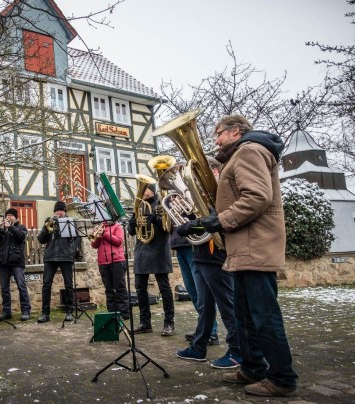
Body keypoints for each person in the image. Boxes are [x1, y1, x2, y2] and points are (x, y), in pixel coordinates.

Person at [198, 115, 298, 397]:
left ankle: (282, 378)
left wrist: (220, 220)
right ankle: (253, 368)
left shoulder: (250, 150)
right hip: (244, 246)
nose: (215, 139)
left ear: (235, 131)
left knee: (263, 315)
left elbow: (256, 196)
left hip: (256, 244)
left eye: (217, 133)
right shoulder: (244, 152)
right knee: (245, 315)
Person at [174, 225, 241, 368]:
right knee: (204, 306)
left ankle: (237, 351)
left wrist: (196, 222)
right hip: (200, 255)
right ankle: (199, 348)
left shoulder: (219, 202)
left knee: (227, 306)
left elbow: (217, 218)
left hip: (216, 255)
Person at [127, 183, 175, 336]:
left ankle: (169, 323)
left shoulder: (162, 203)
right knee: (140, 288)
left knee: (164, 288)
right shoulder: (139, 205)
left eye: (145, 189)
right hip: (142, 249)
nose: (142, 191)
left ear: (152, 191)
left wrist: (155, 219)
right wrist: (132, 224)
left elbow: (168, 227)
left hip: (159, 249)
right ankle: (145, 322)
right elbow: (132, 232)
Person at [36, 201, 81, 323]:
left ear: (64, 211)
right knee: (46, 284)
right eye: (56, 211)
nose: (58, 213)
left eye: (60, 210)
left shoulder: (69, 221)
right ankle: (45, 313)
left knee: (68, 284)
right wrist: (46, 227)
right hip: (50, 256)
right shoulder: (49, 221)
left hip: (66, 256)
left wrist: (72, 250)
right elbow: (41, 239)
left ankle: (69, 311)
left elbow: (77, 238)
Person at [0, 208, 31, 321]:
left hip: (17, 262)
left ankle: (26, 311)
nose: (9, 217)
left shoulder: (21, 227)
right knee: (4, 288)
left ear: (15, 217)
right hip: (3, 262)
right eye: (7, 215)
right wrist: (1, 229)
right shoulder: (3, 229)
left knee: (21, 286)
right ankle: (6, 312)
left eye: (11, 215)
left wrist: (10, 227)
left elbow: (20, 237)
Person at [90, 221, 129, 320]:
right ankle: (112, 313)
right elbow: (94, 245)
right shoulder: (101, 227)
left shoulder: (117, 226)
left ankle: (124, 314)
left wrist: (105, 233)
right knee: (109, 290)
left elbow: (119, 241)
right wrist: (98, 235)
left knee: (120, 288)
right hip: (103, 262)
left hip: (117, 260)